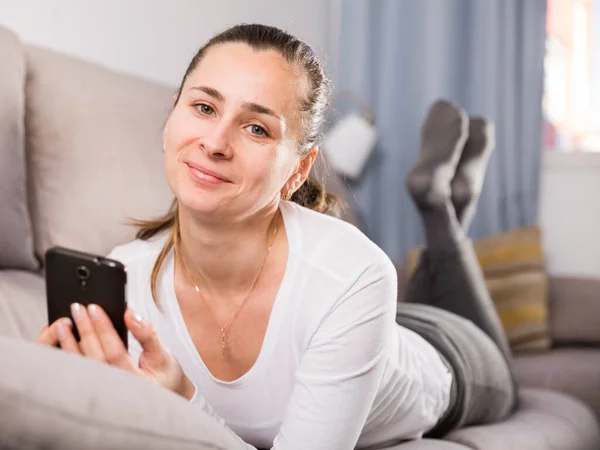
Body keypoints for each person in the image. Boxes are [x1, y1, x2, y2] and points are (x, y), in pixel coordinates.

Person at [36, 24, 516, 450]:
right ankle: (445, 203)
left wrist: (184, 401)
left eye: (256, 128)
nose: (215, 143)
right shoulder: (129, 276)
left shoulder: (353, 273)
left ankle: (441, 210)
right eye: (204, 107)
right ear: (170, 121)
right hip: (360, 326)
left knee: (503, 362)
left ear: (298, 171)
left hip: (451, 361)